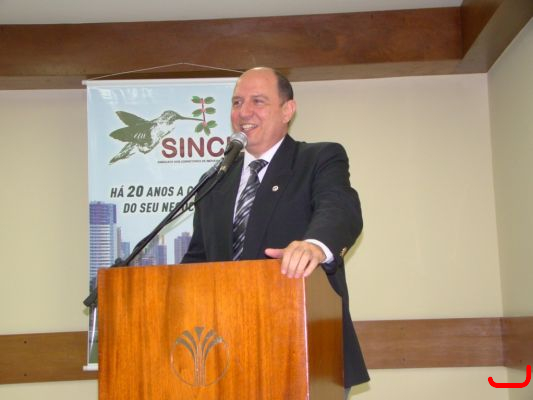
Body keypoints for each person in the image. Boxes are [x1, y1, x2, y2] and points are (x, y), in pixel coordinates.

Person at [182, 67, 369, 396]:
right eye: (237, 102)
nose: (244, 112)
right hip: (225, 355)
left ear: (287, 110)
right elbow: (198, 260)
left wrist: (314, 246)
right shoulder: (213, 181)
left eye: (258, 101)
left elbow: (340, 208)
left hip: (305, 349)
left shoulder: (318, 158)